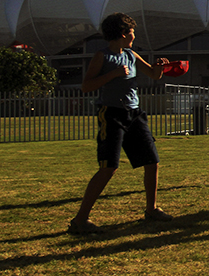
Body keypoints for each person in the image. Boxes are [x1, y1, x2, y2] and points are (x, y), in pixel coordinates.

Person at [68, 13, 173, 234]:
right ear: (123, 34)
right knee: (109, 167)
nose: (134, 37)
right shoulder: (102, 56)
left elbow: (154, 75)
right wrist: (113, 74)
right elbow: (87, 86)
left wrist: (161, 67)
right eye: (132, 33)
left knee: (151, 162)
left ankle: (151, 209)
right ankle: (80, 220)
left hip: (134, 114)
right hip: (112, 114)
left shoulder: (131, 55)